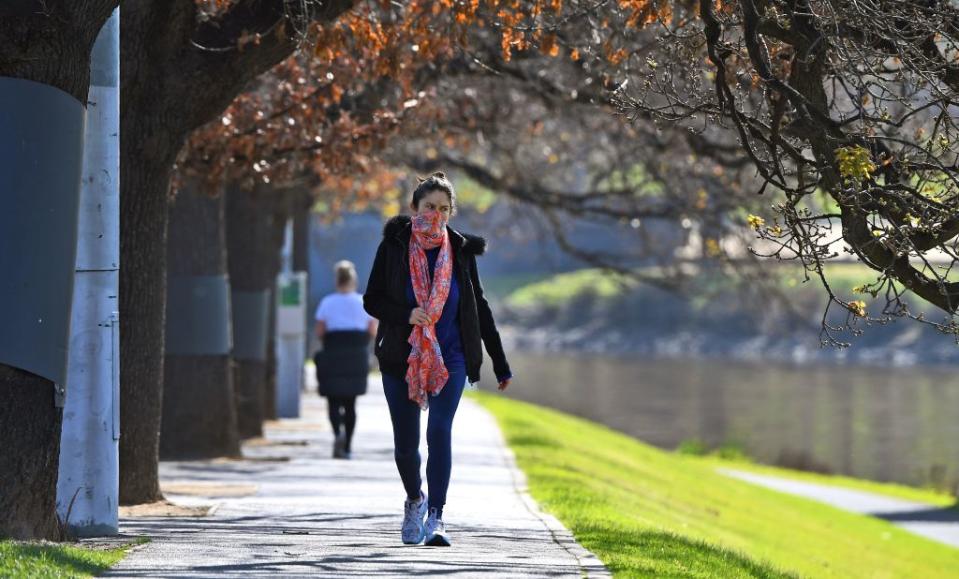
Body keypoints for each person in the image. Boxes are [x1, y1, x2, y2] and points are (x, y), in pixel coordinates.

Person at [363, 171, 513, 547]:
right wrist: (406, 313)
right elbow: (372, 299)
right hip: (402, 355)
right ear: (414, 208)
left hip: (452, 356)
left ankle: (437, 516)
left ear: (451, 212)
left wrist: (499, 361)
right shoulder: (394, 246)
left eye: (444, 209)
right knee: (405, 444)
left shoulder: (460, 251)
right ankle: (415, 499)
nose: (436, 215)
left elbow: (478, 306)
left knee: (439, 431)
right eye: (429, 207)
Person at [314, 260, 377, 460]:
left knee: (333, 399)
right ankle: (348, 445)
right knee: (351, 403)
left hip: (333, 352)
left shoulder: (327, 302)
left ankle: (337, 433)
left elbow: (320, 331)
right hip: (356, 355)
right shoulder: (362, 303)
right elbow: (373, 330)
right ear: (353, 280)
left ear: (337, 281)